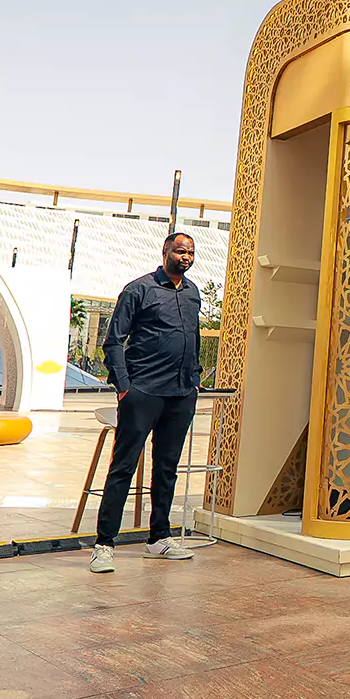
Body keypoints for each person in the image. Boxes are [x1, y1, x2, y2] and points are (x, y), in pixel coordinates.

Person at [90, 233, 204, 573]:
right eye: (180, 251)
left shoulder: (193, 292)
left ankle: (159, 539)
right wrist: (124, 386)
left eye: (190, 252)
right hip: (144, 391)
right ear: (165, 252)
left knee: (166, 468)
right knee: (123, 467)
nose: (185, 257)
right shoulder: (138, 289)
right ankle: (104, 545)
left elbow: (194, 337)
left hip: (181, 392)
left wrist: (194, 379)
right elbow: (113, 342)